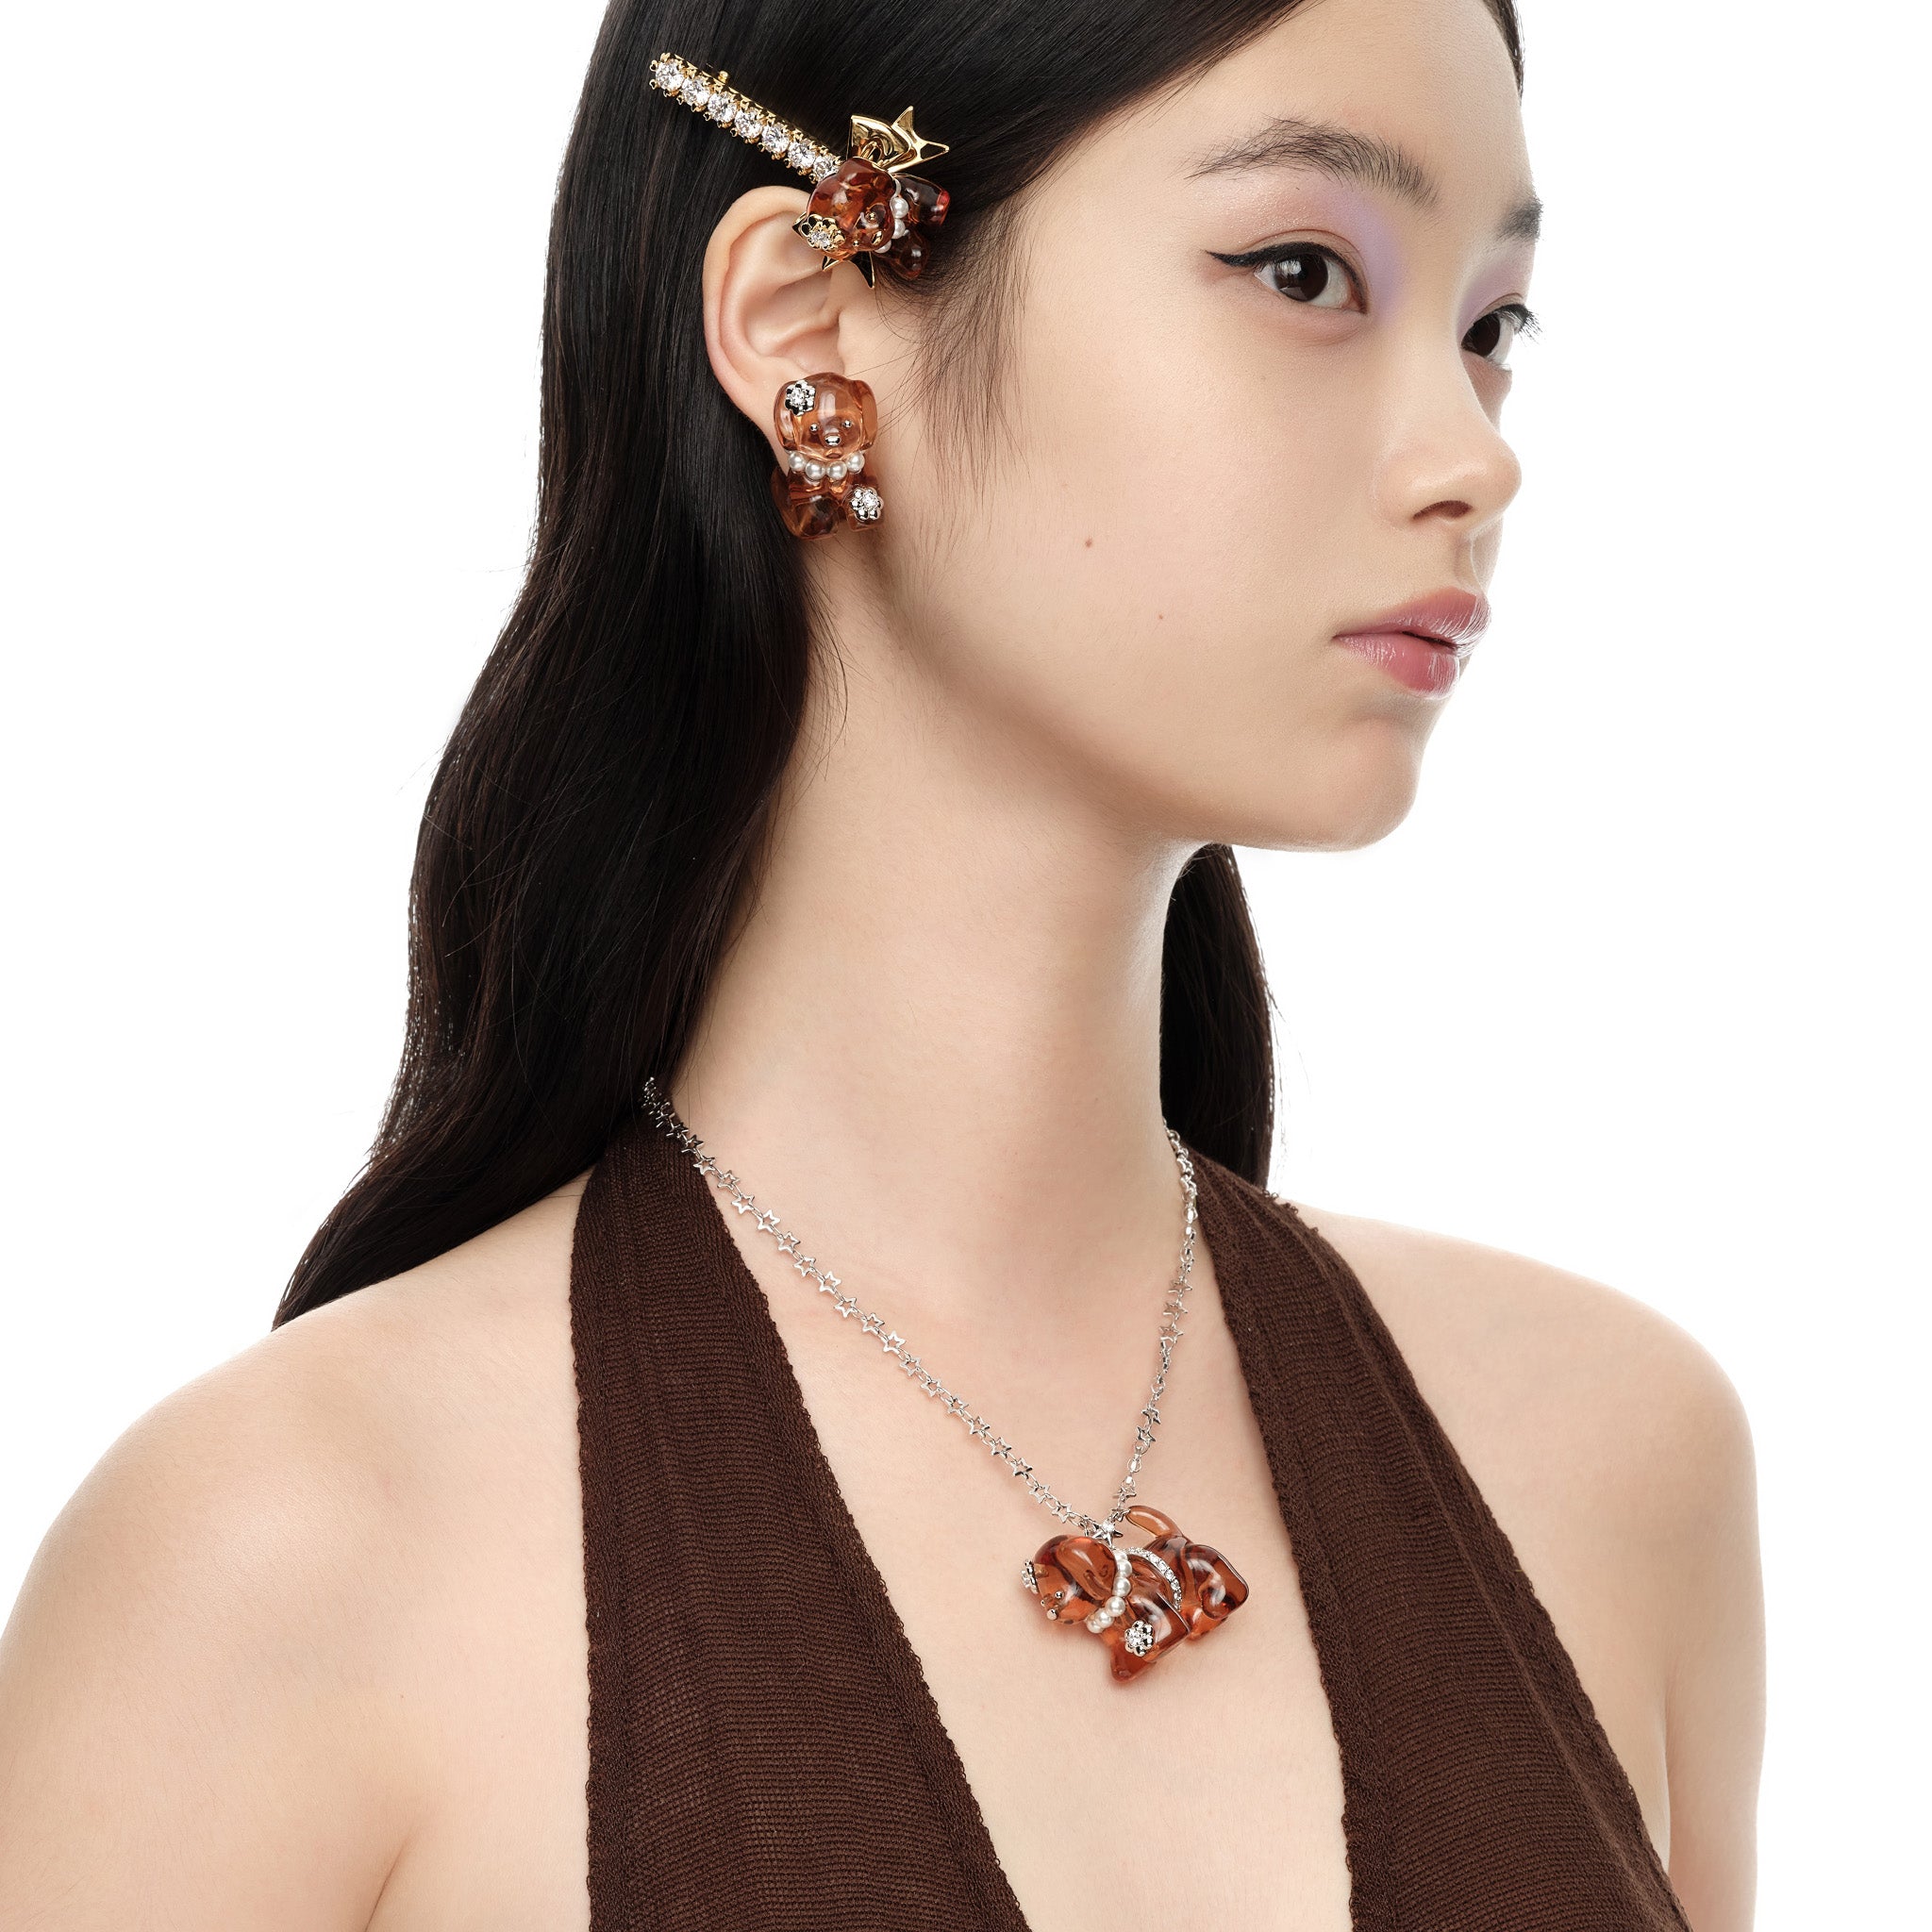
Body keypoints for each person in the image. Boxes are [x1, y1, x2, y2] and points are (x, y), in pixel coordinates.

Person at [0, 0, 1765, 1924]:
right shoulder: (284, 1562)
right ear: (809, 324)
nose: (1470, 460)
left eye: (1494, 326)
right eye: (1300, 272)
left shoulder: (1612, 1463)